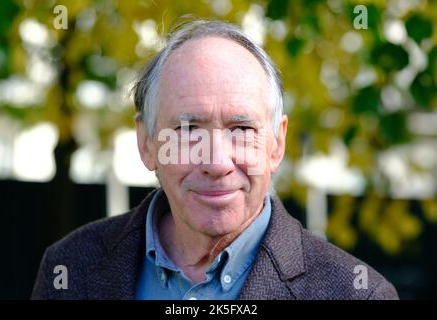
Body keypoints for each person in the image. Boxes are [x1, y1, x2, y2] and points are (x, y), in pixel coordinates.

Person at [32, 20, 398, 300]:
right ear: (146, 143)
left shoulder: (357, 293)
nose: (217, 161)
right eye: (189, 129)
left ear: (276, 144)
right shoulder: (69, 270)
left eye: (241, 128)